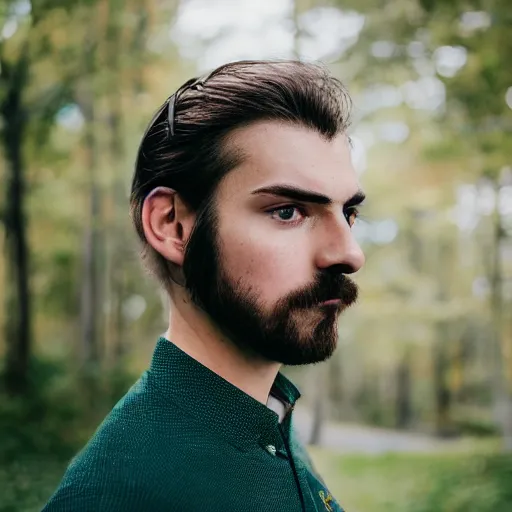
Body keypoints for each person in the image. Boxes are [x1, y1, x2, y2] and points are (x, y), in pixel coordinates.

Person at [43, 60, 365, 512]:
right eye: (288, 211)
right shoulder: (115, 495)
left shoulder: (270, 421)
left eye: (348, 214)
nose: (349, 253)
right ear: (173, 226)